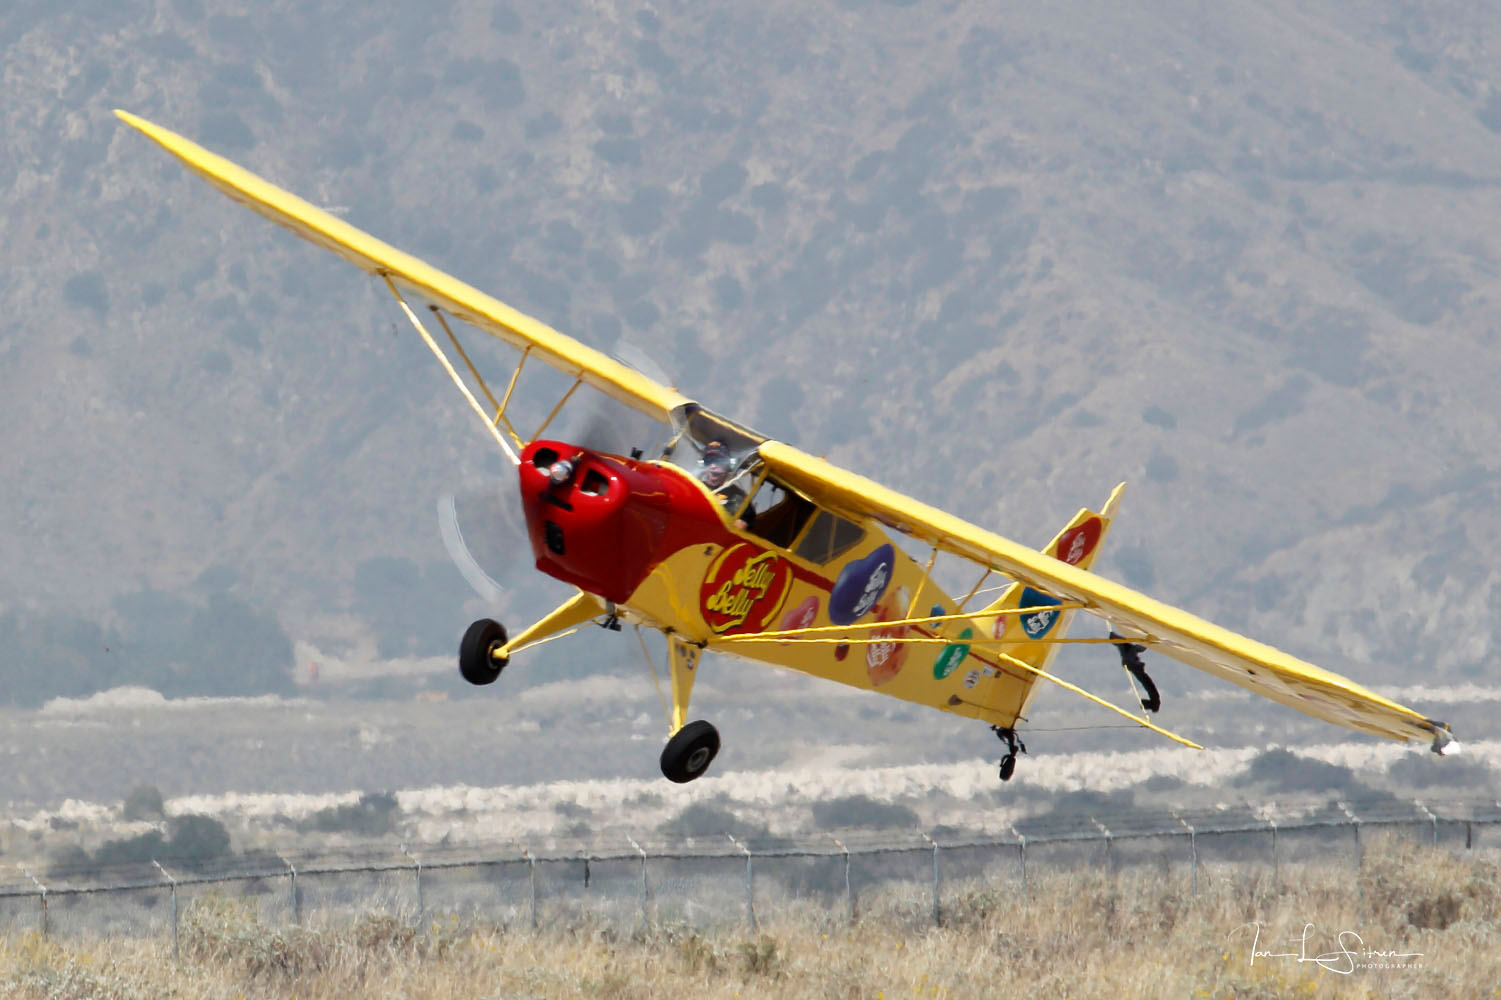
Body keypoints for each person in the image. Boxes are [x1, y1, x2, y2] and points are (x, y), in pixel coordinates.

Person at [701, 440, 752, 527]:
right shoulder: (696, 486)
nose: (713, 466)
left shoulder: (738, 495)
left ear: (728, 466)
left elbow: (748, 521)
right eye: (708, 461)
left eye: (718, 461)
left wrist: (742, 523)